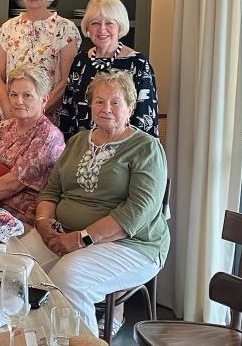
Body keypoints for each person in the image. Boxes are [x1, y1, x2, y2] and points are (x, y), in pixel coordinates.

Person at [21, 70, 169, 336]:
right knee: (16, 265)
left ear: (130, 107)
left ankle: (81, 341)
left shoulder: (146, 148)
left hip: (132, 245)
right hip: (63, 232)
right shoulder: (78, 140)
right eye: (99, 101)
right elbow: (51, 191)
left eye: (115, 102)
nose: (106, 108)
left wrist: (81, 239)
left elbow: (137, 213)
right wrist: (43, 224)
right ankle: (33, 337)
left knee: (69, 277)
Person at [0, 65, 64, 225]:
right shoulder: (6, 126)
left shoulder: (48, 136)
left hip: (17, 217)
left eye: (27, 95)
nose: (19, 101)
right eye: (13, 94)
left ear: (44, 99)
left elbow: (11, 185)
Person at [59, 0, 158, 140]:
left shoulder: (138, 63)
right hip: (84, 149)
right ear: (87, 27)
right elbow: (68, 111)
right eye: (95, 23)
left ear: (120, 26)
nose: (102, 29)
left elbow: (145, 119)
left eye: (109, 23)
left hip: (123, 153)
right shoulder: (80, 61)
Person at [0, 0, 80, 125]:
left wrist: (36, 114)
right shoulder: (8, 28)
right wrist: (8, 111)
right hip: (10, 118)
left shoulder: (65, 29)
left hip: (47, 119)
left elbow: (66, 80)